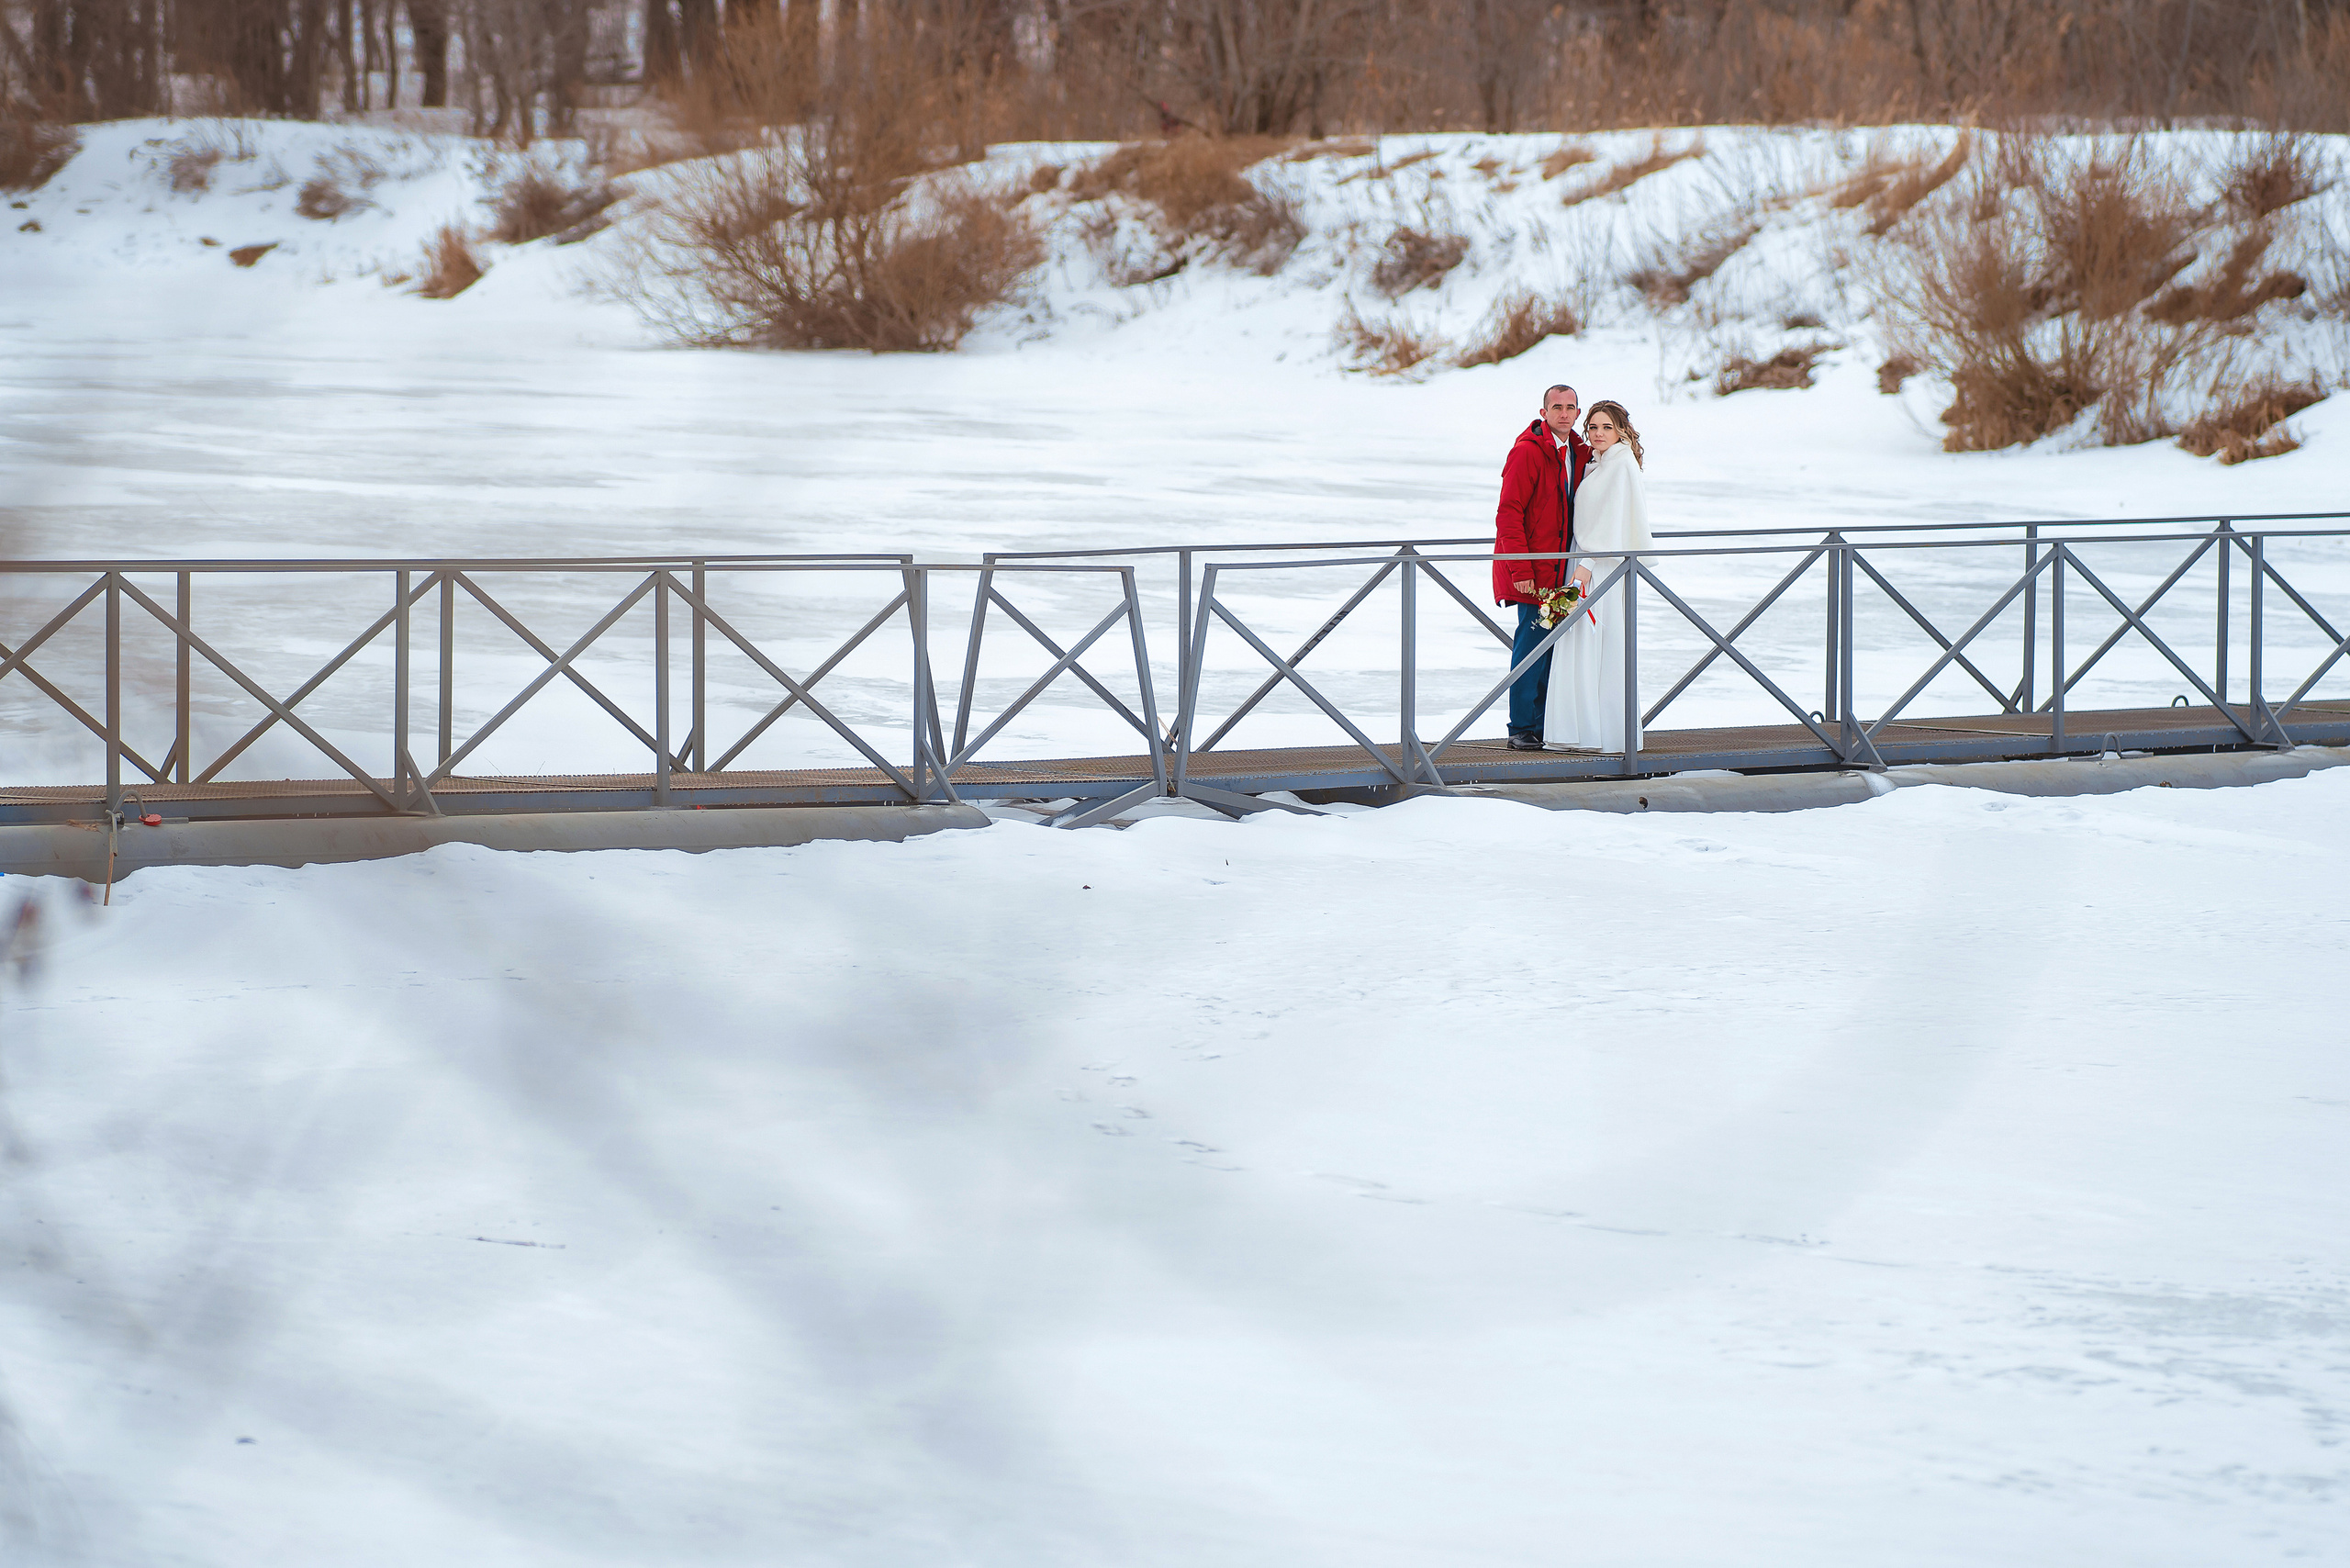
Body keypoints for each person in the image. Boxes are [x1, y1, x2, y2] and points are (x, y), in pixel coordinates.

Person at [1545, 400, 1655, 754]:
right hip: (1586, 560)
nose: (1598, 434)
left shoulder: (1621, 465)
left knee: (1599, 645)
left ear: (1621, 430)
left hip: (1600, 567)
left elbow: (1611, 522)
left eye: (1606, 427)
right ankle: (1583, 731)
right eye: (1593, 427)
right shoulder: (1599, 463)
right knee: (1583, 645)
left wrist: (1586, 566)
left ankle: (1602, 735)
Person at [1493, 385, 1591, 750]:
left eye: (1570, 407)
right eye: (1557, 407)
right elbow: (1509, 515)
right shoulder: (1527, 453)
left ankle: (1544, 723)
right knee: (1531, 645)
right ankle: (1521, 727)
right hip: (1533, 573)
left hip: (1562, 571)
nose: (1564, 414)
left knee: (1553, 648)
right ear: (1544, 411)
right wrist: (1520, 572)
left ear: (1578, 413)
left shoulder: (1577, 451)